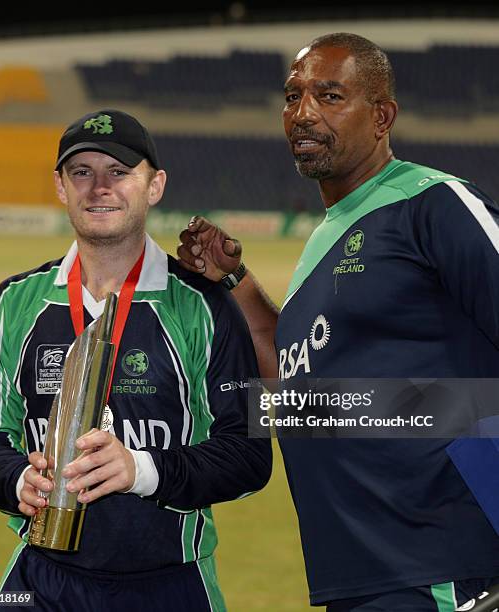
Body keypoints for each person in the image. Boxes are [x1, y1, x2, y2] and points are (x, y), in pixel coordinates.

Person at [177, 33, 499, 611]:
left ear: (382, 116)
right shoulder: (328, 233)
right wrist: (237, 285)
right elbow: (300, 398)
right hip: (356, 571)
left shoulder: (434, 205)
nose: (303, 113)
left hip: (445, 569)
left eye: (329, 96)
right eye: (293, 95)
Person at [0, 108, 271, 611]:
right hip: (41, 581)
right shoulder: (16, 299)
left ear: (155, 186)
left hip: (170, 586)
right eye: (81, 172)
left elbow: (250, 457)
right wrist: (18, 478)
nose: (99, 187)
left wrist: (140, 470)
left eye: (119, 171)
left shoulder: (207, 306)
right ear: (61, 187)